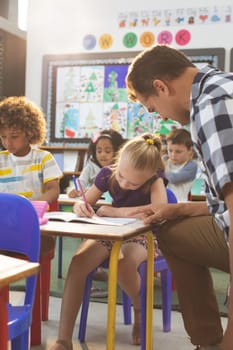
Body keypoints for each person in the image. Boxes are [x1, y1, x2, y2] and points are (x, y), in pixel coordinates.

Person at [125, 44, 233, 350]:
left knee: (172, 236)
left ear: (161, 87)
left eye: (153, 107)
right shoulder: (219, 84)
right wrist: (182, 208)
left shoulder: (212, 105)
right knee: (174, 231)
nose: (161, 118)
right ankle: (207, 342)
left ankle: (215, 343)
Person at [50, 133, 168, 350]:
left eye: (133, 183)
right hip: (110, 232)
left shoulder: (155, 180)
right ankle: (63, 340)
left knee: (124, 264)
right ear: (119, 160)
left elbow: (158, 213)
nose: (124, 183)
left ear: (150, 175)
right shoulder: (108, 173)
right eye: (122, 176)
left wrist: (113, 211)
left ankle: (139, 310)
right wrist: (81, 206)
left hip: (143, 236)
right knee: (78, 264)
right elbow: (86, 203)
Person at [0, 96, 63, 255]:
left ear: (29, 132)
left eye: (14, 136)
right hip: (5, 225)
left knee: (38, 244)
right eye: (3, 136)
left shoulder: (43, 158)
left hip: (35, 225)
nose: (8, 142)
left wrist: (29, 208)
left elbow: (53, 190)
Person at [68, 128, 124, 198]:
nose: (102, 155)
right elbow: (81, 181)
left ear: (117, 152)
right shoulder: (90, 166)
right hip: (91, 203)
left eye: (108, 151)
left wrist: (92, 192)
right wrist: (76, 190)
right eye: (99, 151)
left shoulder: (120, 169)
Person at [164, 128, 198, 201]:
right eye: (170, 150)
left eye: (178, 152)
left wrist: (158, 173)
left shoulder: (192, 166)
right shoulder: (166, 160)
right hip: (164, 201)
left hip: (180, 204)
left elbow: (174, 179)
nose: (173, 155)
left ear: (190, 150)